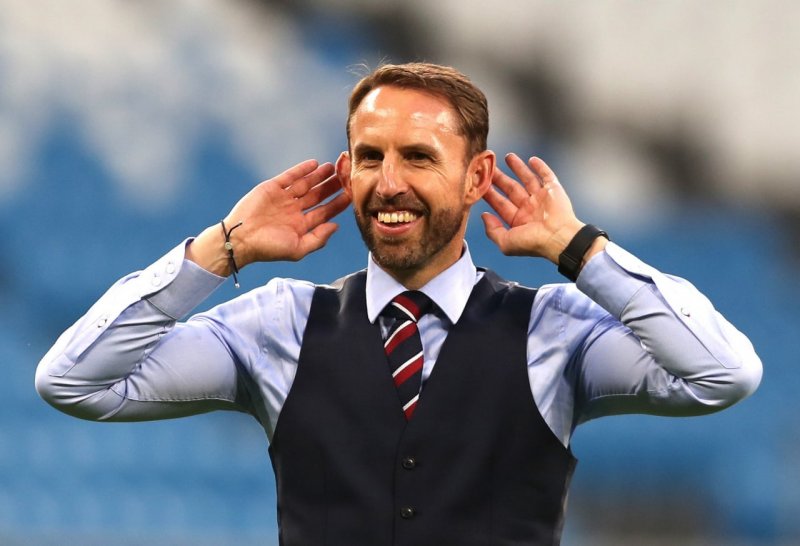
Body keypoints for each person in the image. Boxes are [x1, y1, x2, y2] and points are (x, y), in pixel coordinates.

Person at [36, 62, 762, 545]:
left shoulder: (553, 330)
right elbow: (73, 380)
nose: (389, 183)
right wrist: (219, 250)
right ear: (347, 169)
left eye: (418, 157)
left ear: (477, 177)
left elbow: (723, 373)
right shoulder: (277, 323)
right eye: (371, 157)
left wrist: (580, 252)